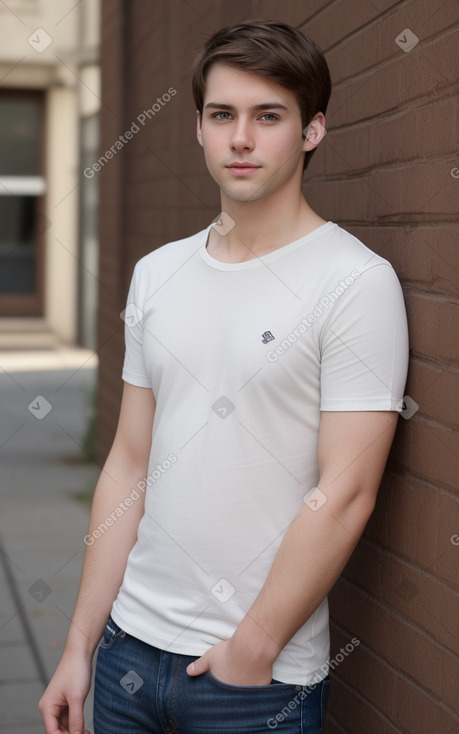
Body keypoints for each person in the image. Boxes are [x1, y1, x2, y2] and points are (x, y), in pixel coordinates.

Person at [39, 19, 409, 734]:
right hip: (125, 653)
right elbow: (128, 464)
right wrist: (79, 647)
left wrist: (255, 646)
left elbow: (347, 491)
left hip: (253, 685)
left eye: (267, 116)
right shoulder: (157, 274)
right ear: (200, 130)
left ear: (311, 131)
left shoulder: (353, 282)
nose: (240, 138)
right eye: (222, 115)